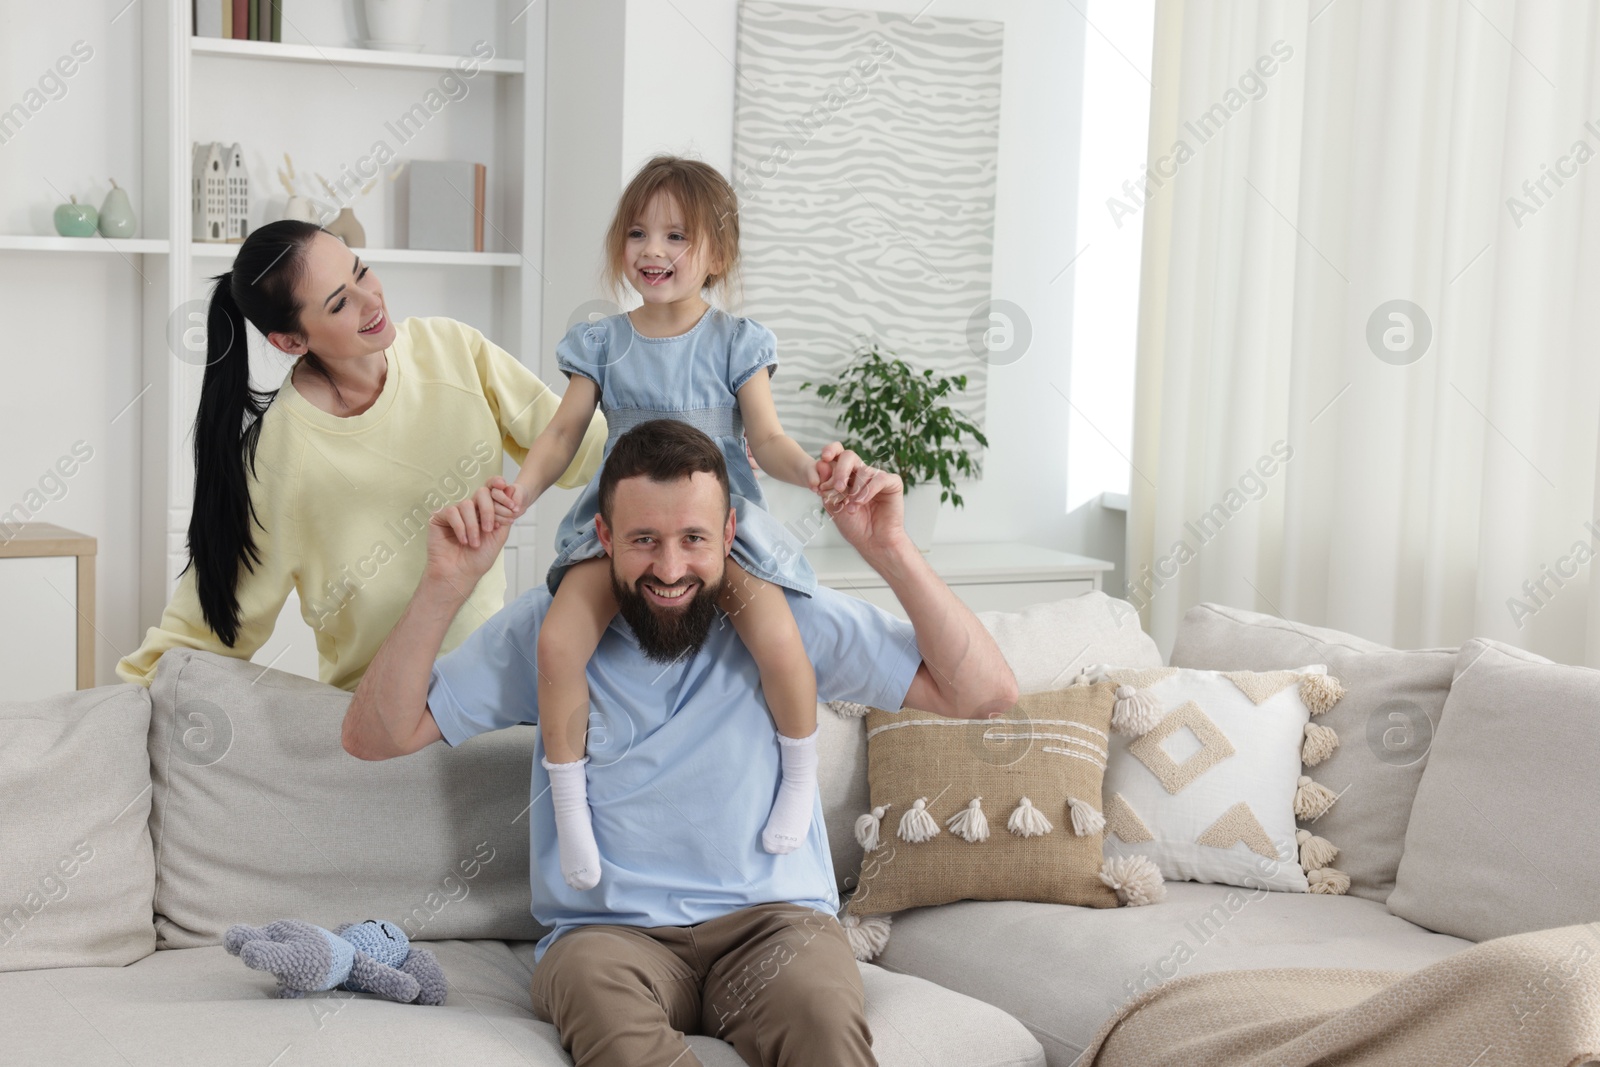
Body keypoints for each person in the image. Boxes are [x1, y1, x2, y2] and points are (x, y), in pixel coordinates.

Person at [341, 418, 1019, 1067]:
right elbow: (376, 735)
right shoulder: (548, 627)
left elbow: (983, 693)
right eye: (644, 540)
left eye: (694, 538)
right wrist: (445, 583)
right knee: (603, 1008)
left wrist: (890, 550)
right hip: (607, 939)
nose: (670, 569)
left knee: (823, 1021)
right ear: (603, 534)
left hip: (775, 926)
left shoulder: (788, 614)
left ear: (729, 531)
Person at [485, 156, 829, 891]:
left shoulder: (738, 341)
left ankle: (800, 771)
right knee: (557, 640)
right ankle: (570, 798)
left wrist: (811, 471)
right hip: (623, 524)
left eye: (677, 236)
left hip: (716, 527)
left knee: (777, 635)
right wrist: (517, 493)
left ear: (718, 253)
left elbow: (766, 439)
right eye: (639, 232)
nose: (654, 251)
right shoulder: (603, 343)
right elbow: (561, 435)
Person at [115, 220, 606, 691]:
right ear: (291, 341)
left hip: (497, 685)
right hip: (379, 713)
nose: (372, 300)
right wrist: (132, 703)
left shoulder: (452, 349)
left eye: (361, 271)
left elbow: (587, 452)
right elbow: (208, 629)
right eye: (339, 304)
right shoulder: (278, 454)